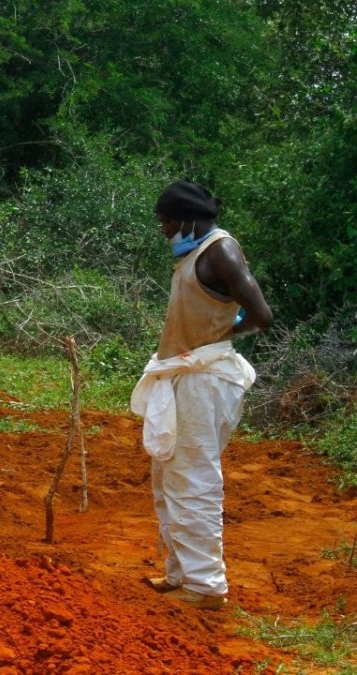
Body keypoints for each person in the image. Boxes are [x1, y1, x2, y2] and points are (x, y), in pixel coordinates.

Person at [131, 179, 272, 610]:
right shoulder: (194, 253)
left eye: (167, 221)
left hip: (205, 380)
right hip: (189, 378)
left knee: (193, 482)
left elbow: (261, 315)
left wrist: (216, 336)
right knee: (169, 477)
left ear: (188, 218)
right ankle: (181, 573)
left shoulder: (220, 251)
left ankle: (206, 587)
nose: (163, 229)